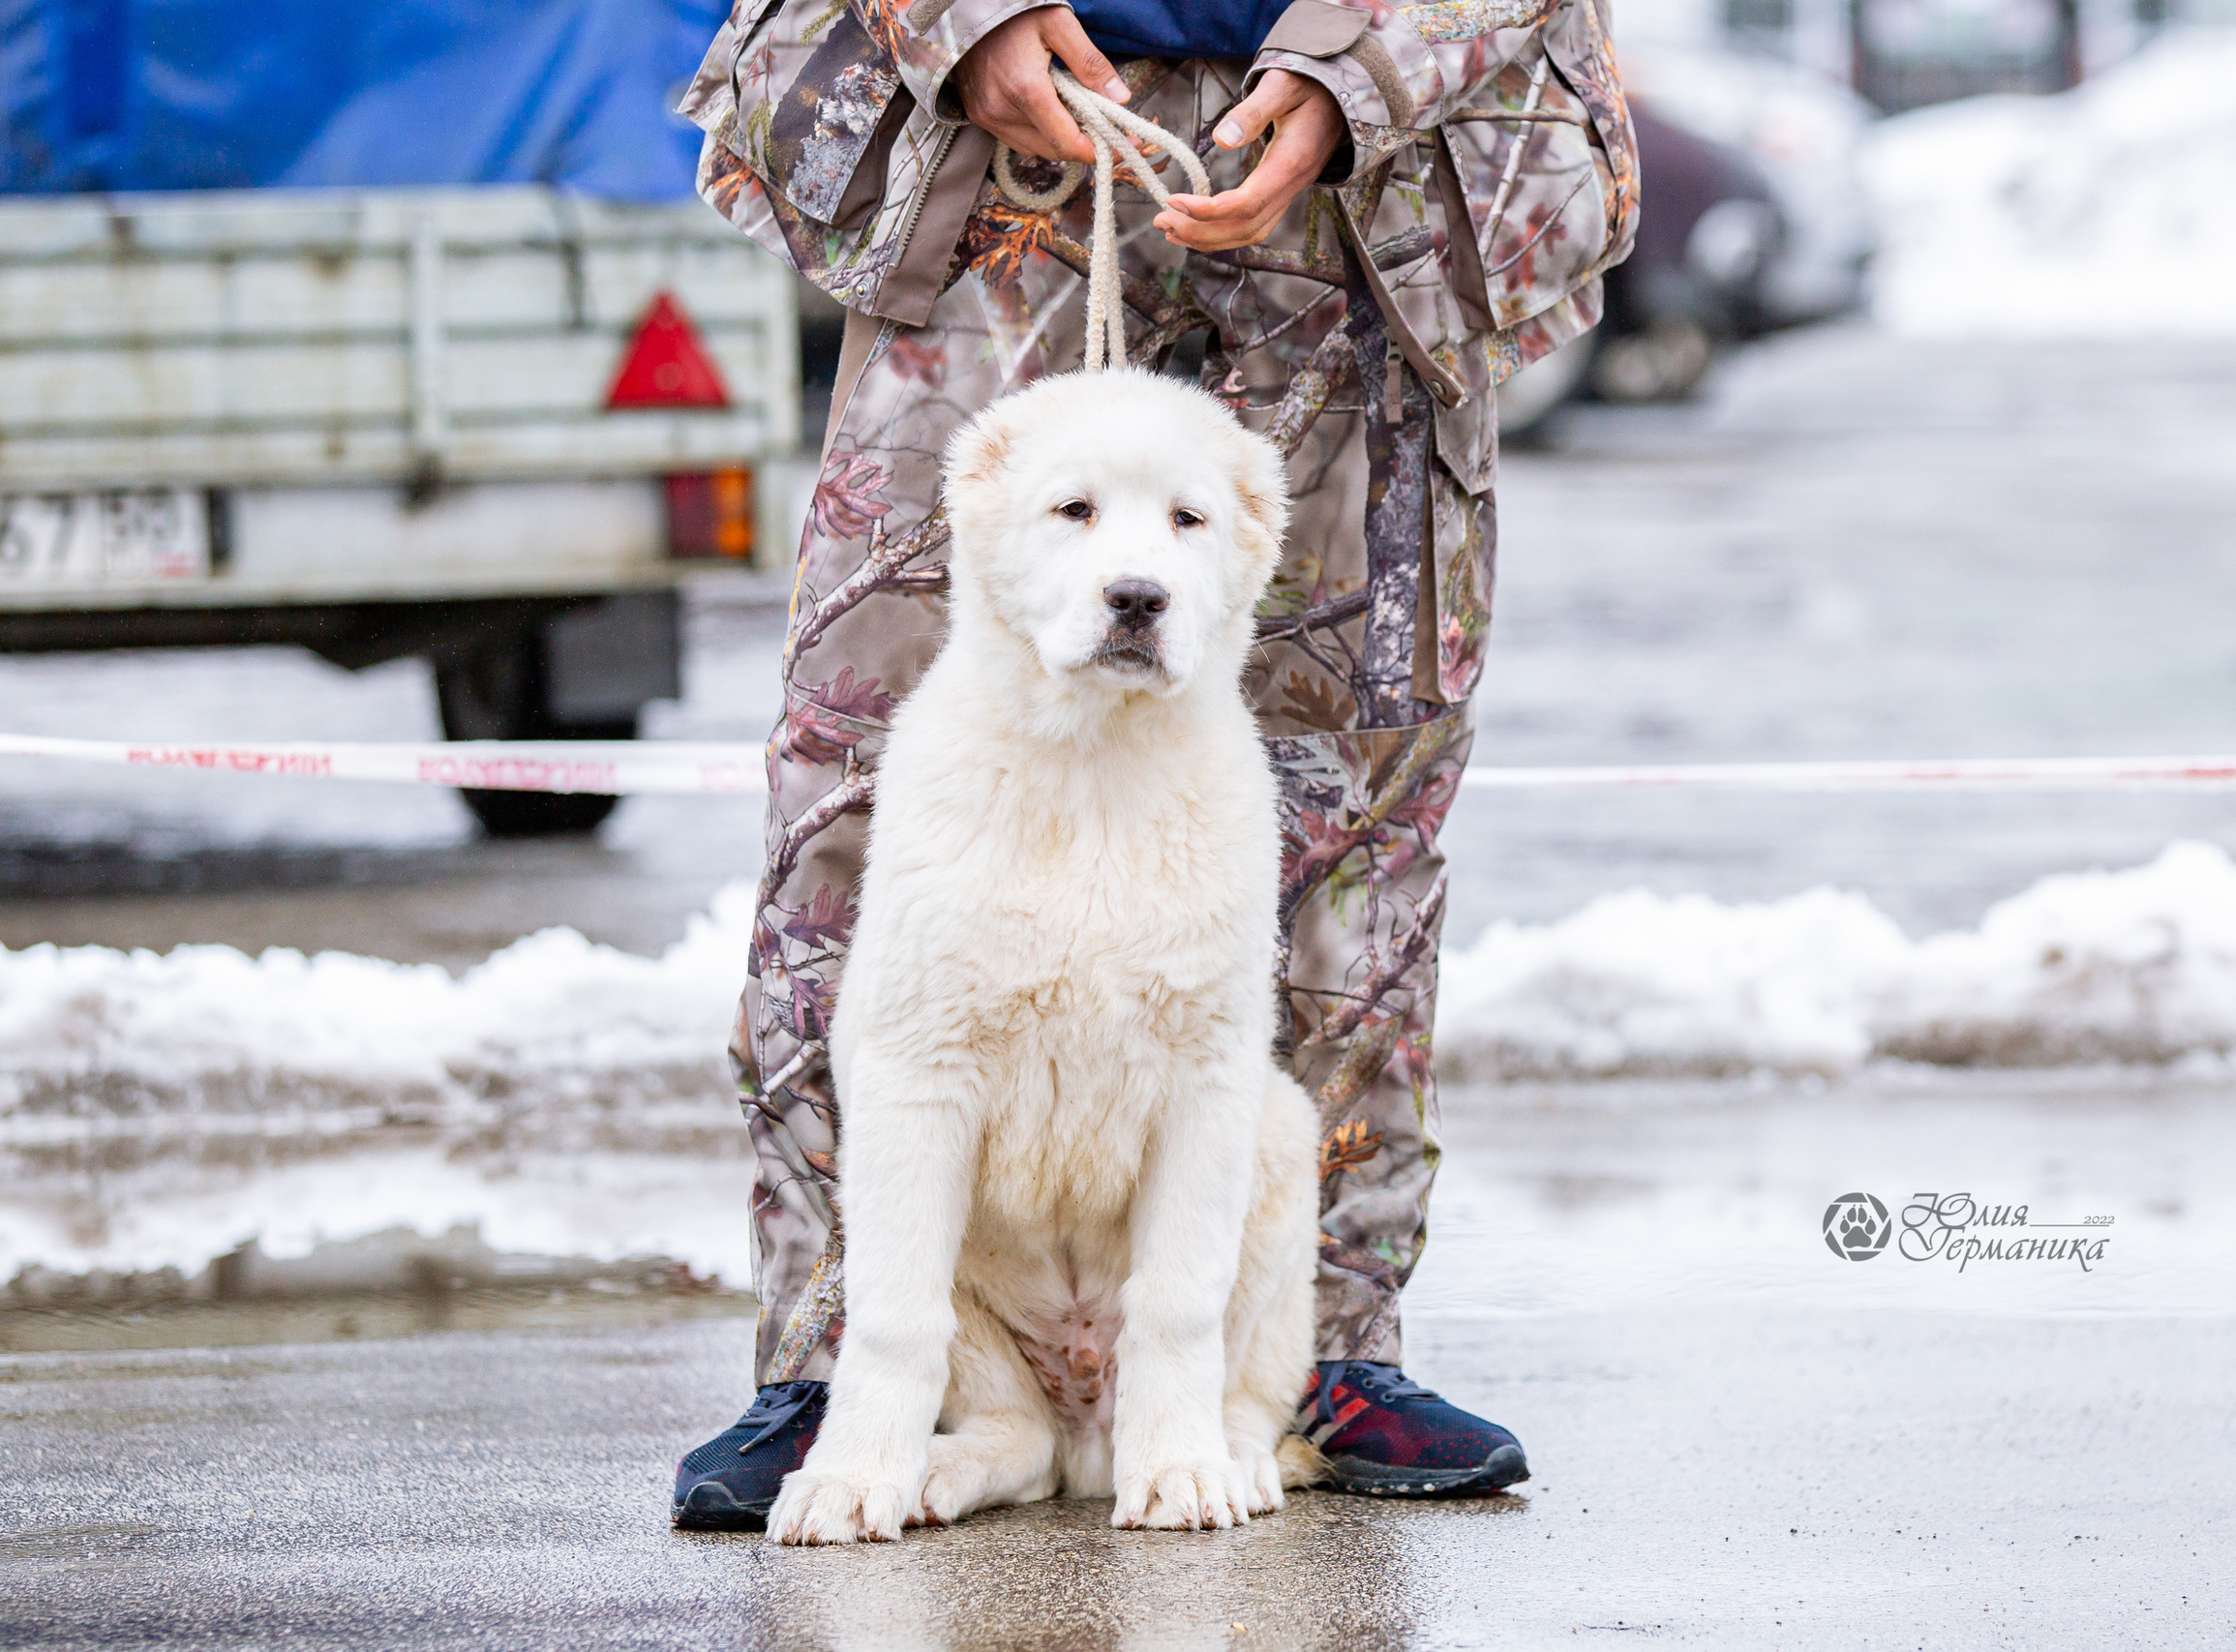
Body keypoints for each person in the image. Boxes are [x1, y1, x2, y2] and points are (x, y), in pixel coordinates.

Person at [671, 0, 1637, 1530]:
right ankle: (839, 1357)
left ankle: (1318, 1351)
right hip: (996, 149)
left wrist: (1360, 68)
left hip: (1370, 171)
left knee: (1358, 788)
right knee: (863, 771)